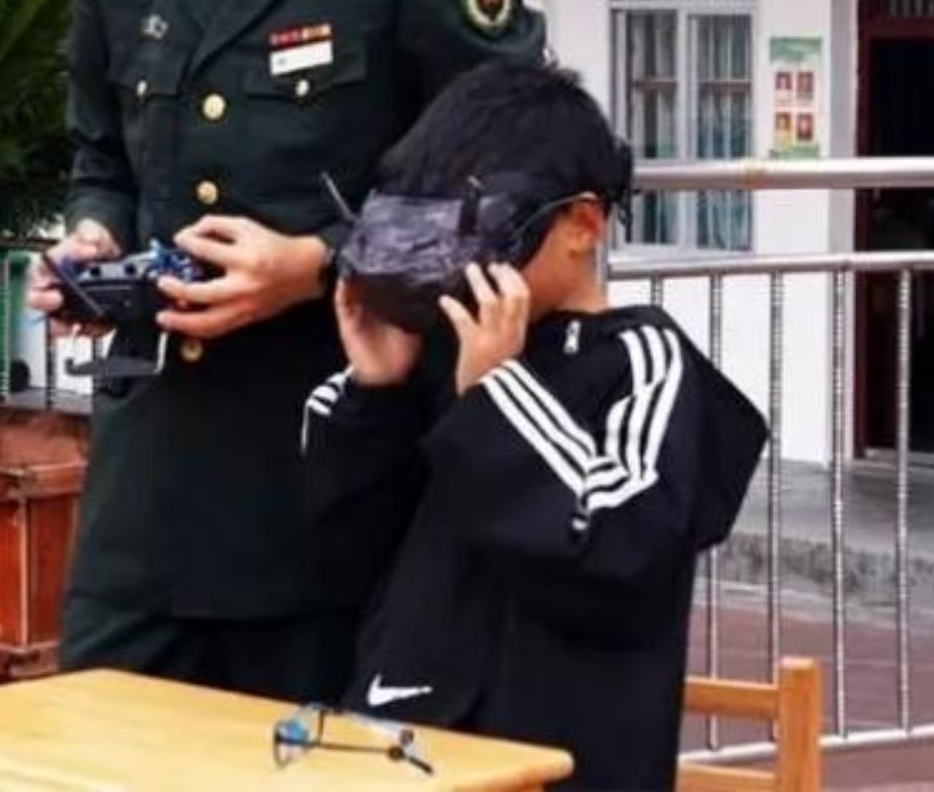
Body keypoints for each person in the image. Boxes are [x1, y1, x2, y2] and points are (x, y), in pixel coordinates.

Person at [30, 0, 550, 702]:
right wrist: (90, 241)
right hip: (151, 475)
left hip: (331, 462)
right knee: (102, 751)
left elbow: (515, 177)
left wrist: (318, 264)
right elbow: (101, 155)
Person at [303, 60, 769, 791]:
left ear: (582, 223)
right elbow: (343, 555)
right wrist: (376, 393)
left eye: (485, 229)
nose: (455, 262)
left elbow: (619, 553)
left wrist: (495, 396)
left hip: (562, 762)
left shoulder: (644, 361)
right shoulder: (438, 353)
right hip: (398, 750)